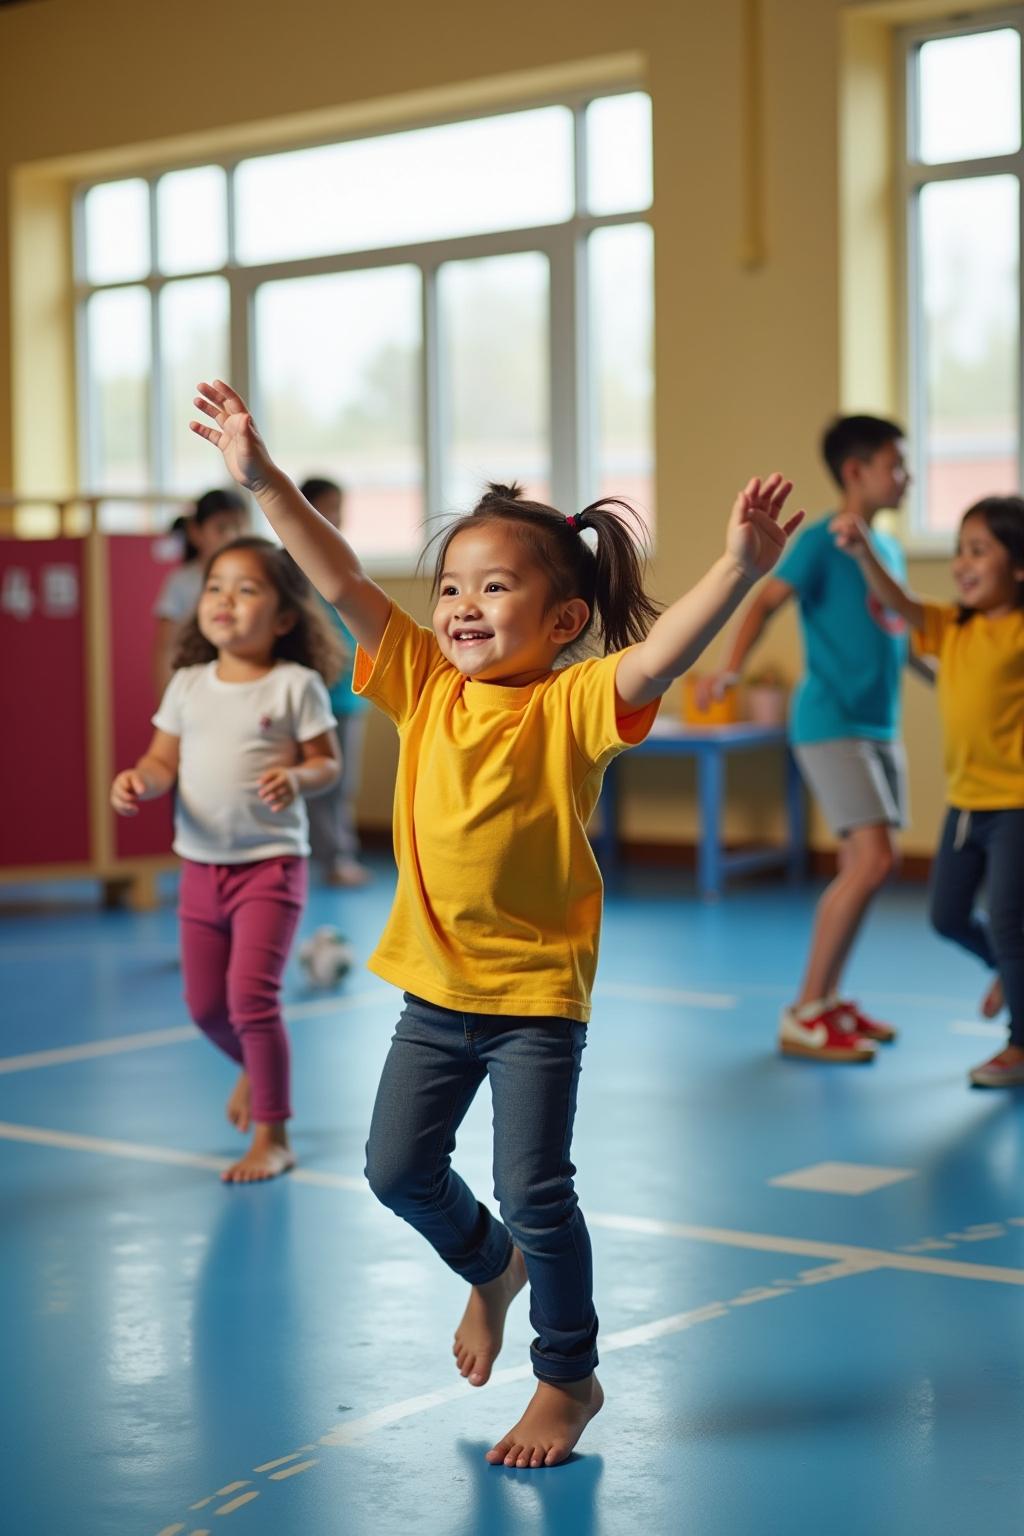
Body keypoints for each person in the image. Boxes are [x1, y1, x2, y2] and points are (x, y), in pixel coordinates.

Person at [189, 376, 802, 1468]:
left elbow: (659, 657)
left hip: (532, 1002)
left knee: (538, 1189)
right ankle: (489, 1267)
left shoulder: (574, 702)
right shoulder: (422, 680)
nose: (463, 606)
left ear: (563, 620)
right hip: (433, 992)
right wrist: (265, 477)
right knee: (393, 1172)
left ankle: (567, 1376)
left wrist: (738, 570)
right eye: (453, 586)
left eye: (497, 588)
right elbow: (334, 575)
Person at [112, 536, 343, 1181]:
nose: (225, 601)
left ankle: (274, 1135)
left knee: (252, 1000)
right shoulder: (187, 685)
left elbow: (328, 763)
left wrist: (298, 778)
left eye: (247, 590)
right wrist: (140, 780)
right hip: (200, 869)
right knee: (206, 1007)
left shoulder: (293, 685)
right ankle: (254, 1066)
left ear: (284, 618)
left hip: (270, 866)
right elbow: (163, 760)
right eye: (216, 588)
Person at [700, 415, 912, 1063]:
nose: (905, 476)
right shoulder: (822, 539)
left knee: (869, 865)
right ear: (856, 471)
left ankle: (828, 1000)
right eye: (894, 464)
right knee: (872, 862)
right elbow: (765, 602)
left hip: (880, 725)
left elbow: (906, 636)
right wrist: (733, 668)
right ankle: (805, 1010)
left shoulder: (885, 549)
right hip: (830, 723)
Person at [834, 496, 1024, 1087]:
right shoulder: (951, 625)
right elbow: (900, 602)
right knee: (947, 915)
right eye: (959, 550)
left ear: (1018, 567)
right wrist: (865, 552)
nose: (963, 563)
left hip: (1017, 802)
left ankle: (1019, 1045)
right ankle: (1011, 971)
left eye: (979, 551)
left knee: (1012, 919)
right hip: (967, 802)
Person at [298, 477, 372, 886]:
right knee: (314, 778)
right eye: (327, 506)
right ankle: (325, 856)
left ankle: (337, 855)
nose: (336, 515)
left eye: (338, 506)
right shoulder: (293, 562)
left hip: (347, 691)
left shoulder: (344, 558)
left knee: (342, 781)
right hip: (310, 690)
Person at [152, 487, 249, 697]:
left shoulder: (255, 577)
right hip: (197, 690)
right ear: (196, 532)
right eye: (222, 528)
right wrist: (165, 701)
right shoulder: (182, 582)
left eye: (240, 526)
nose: (233, 536)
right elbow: (167, 648)